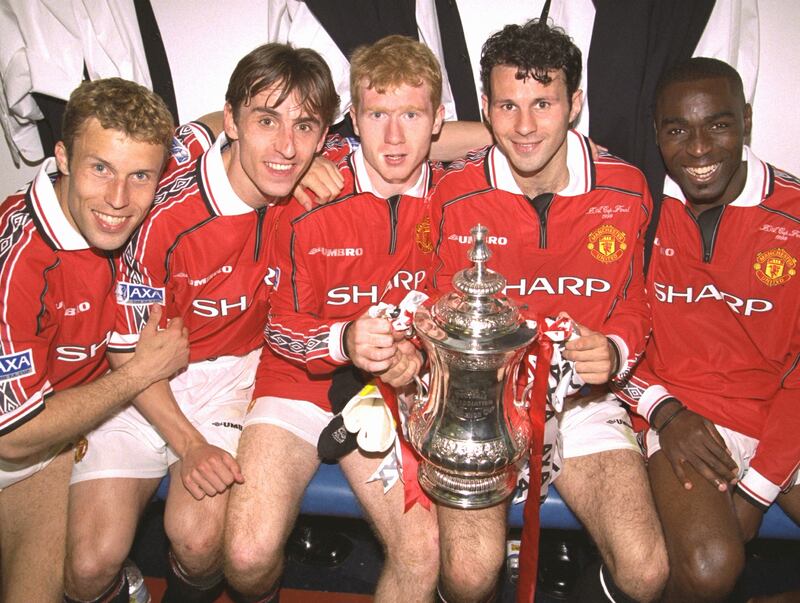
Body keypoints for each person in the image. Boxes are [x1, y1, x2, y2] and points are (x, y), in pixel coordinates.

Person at [63, 44, 337, 603]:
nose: (286, 146)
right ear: (231, 122)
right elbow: (124, 354)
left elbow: (414, 130)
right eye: (266, 121)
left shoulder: (311, 178)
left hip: (232, 378)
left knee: (198, 539)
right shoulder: (163, 205)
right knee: (87, 566)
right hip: (143, 378)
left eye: (304, 127)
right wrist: (188, 445)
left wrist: (498, 130)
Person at [429, 20, 668, 602]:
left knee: (646, 571)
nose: (526, 126)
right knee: (468, 572)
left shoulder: (626, 188)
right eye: (508, 105)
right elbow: (435, 308)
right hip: (484, 402)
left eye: (543, 102)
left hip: (585, 401)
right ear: (485, 108)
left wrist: (611, 350)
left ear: (575, 103)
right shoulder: (451, 194)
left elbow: (635, 302)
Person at [223, 35, 442, 602]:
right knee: (246, 556)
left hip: (389, 393)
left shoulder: (461, 197)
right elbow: (276, 325)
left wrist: (420, 357)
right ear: (352, 119)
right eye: (376, 115)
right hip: (297, 382)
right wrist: (343, 338)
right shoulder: (307, 188)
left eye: (411, 115)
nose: (393, 138)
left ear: (438, 120)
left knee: (421, 555)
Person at [614, 57, 800, 602]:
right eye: (678, 130)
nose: (698, 150)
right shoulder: (633, 209)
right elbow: (606, 339)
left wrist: (758, 491)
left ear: (745, 119)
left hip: (782, 419)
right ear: (656, 132)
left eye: (718, 125)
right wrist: (661, 410)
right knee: (710, 566)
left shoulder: (793, 217)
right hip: (683, 414)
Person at [0, 77, 189, 603]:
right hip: (19, 436)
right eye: (100, 168)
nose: (118, 199)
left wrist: (304, 162)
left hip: (50, 437)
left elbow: (223, 129)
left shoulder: (124, 213)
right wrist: (141, 372)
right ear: (62, 156)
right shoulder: (17, 264)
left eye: (139, 176)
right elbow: (12, 437)